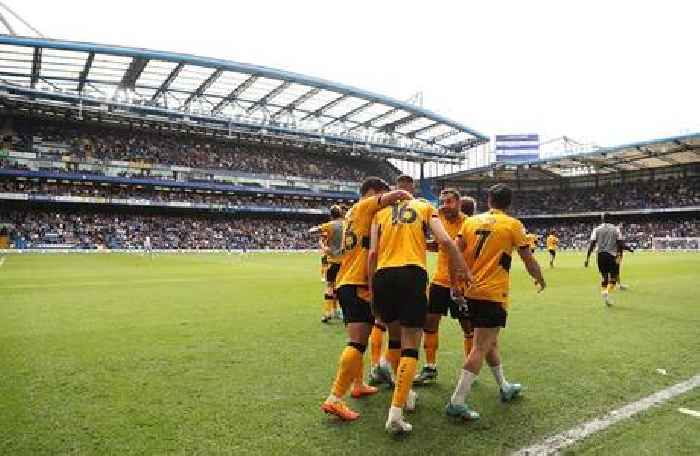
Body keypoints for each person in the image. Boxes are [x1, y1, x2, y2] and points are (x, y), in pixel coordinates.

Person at [368, 194, 469, 433]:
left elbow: (372, 254)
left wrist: (373, 291)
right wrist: (463, 268)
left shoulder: (379, 214)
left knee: (394, 340)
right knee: (411, 344)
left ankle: (402, 388)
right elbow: (445, 240)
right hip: (412, 274)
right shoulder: (425, 207)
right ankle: (396, 411)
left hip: (382, 276)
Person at [447, 184, 546, 421]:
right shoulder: (512, 224)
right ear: (509, 203)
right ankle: (456, 402)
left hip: (471, 291)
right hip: (493, 293)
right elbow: (528, 259)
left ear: (489, 199)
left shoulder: (469, 222)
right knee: (480, 346)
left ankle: (504, 386)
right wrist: (540, 278)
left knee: (489, 343)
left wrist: (455, 284)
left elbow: (454, 252)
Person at [320, 177, 412, 421]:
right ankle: (335, 399)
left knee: (361, 338)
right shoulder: (365, 205)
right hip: (357, 282)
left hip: (347, 280)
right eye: (380, 194)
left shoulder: (353, 212)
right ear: (372, 192)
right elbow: (397, 195)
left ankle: (358, 384)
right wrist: (411, 200)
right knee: (357, 343)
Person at [414, 191, 475, 385]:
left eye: (449, 202)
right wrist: (425, 244)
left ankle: (470, 369)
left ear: (458, 202)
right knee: (429, 323)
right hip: (440, 281)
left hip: (461, 284)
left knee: (467, 326)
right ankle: (430, 368)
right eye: (442, 202)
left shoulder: (469, 223)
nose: (445, 205)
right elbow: (440, 245)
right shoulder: (438, 218)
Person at [309, 205, 345, 323]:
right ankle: (340, 311)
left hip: (333, 261)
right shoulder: (346, 224)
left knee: (329, 286)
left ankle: (327, 312)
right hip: (345, 262)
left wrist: (324, 244)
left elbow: (312, 231)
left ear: (331, 214)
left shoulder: (329, 225)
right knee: (340, 287)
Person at [585, 213, 624, 306]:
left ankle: (606, 298)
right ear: (610, 219)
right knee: (613, 279)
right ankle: (606, 291)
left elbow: (591, 244)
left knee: (604, 277)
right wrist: (619, 255)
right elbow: (620, 244)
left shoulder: (596, 229)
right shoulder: (616, 229)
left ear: (602, 220)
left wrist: (587, 258)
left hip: (600, 256)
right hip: (611, 255)